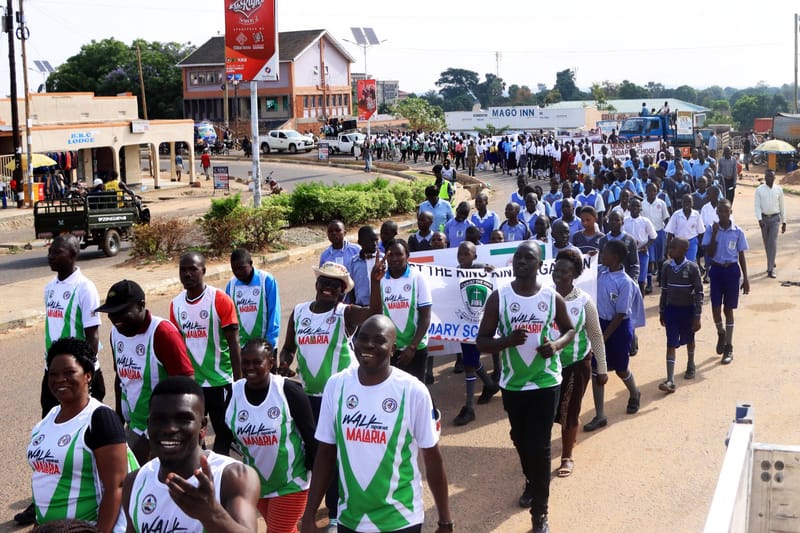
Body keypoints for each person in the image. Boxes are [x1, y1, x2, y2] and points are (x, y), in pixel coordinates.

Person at [300, 315, 452, 533]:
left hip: (400, 519)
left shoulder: (413, 391)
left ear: (393, 348)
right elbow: (325, 452)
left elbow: (432, 458)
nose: (368, 345)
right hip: (350, 519)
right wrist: (310, 513)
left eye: (379, 340)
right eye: (362, 338)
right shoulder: (337, 385)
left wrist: (445, 520)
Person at [476, 241, 575, 533]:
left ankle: (539, 515)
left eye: (527, 258)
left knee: (541, 445)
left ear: (539, 263)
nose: (520, 262)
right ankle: (531, 480)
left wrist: (555, 345)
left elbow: (570, 329)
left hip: (546, 381)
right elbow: (482, 340)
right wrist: (506, 341)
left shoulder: (550, 296)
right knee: (520, 438)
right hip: (513, 384)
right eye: (517, 257)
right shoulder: (500, 298)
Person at [280, 261, 381, 532]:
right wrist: (284, 361)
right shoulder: (299, 312)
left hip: (339, 398)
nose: (328, 287)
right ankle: (308, 505)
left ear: (342, 292)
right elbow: (288, 348)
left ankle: (336, 516)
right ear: (316, 285)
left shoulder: (344, 313)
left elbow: (374, 314)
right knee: (313, 454)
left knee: (335, 455)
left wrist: (376, 282)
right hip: (308, 397)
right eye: (324, 282)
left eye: (335, 285)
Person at [121, 377, 260, 532]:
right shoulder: (135, 483)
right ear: (149, 424)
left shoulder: (233, 477)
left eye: (183, 419)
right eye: (159, 419)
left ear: (202, 426)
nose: (170, 429)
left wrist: (212, 514)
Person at [28, 337, 134, 532]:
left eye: (69, 372)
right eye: (53, 374)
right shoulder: (47, 420)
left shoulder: (100, 419)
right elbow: (43, 480)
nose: (59, 379)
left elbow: (117, 487)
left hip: (88, 527)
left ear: (88, 375)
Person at [94, 280, 194, 464]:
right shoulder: (116, 333)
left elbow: (187, 386)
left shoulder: (163, 333)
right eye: (111, 314)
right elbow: (121, 379)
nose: (116, 319)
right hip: (134, 426)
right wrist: (118, 419)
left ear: (141, 305)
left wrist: (159, 435)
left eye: (122, 312)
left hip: (163, 428)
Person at [226, 339, 316, 532]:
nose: (250, 367)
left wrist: (311, 479)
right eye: (245, 362)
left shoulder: (288, 391)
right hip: (255, 485)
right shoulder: (233, 394)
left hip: (292, 483)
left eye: (257, 362)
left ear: (271, 362)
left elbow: (311, 437)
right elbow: (224, 439)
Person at [169, 252, 241, 455]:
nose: (187, 274)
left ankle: (219, 473)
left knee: (224, 433)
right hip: (193, 383)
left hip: (220, 381)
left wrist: (239, 383)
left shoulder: (219, 299)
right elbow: (177, 348)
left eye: (193, 269)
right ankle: (200, 469)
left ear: (204, 271)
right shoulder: (176, 304)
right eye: (183, 269)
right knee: (192, 432)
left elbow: (234, 344)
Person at [551, 250, 607, 478]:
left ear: (574, 274)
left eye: (564, 271)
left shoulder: (584, 301)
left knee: (570, 411)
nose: (558, 274)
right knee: (547, 413)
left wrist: (601, 368)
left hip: (576, 365)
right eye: (556, 269)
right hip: (547, 368)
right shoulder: (543, 297)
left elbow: (595, 335)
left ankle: (567, 456)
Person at [584, 239, 646, 432]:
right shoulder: (601, 271)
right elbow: (586, 268)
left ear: (616, 258)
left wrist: (603, 337)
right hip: (600, 323)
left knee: (620, 369)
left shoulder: (625, 282)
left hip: (618, 328)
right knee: (597, 371)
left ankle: (635, 393)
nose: (603, 255)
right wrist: (590, 257)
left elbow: (620, 313)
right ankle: (600, 415)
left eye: (606, 253)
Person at [452, 242, 500, 426]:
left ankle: (469, 406)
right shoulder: (455, 272)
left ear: (474, 256)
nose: (462, 256)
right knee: (469, 362)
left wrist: (492, 270)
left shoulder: (481, 269)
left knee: (470, 365)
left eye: (466, 253)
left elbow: (496, 277)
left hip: (480, 325)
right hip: (464, 325)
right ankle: (490, 385)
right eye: (460, 253)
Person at [372, 239, 432, 383]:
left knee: (417, 391)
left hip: (415, 348)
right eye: (390, 255)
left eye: (399, 254)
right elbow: (376, 315)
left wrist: (412, 347)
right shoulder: (380, 279)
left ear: (407, 256)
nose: (394, 259)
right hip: (390, 348)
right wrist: (374, 281)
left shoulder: (417, 278)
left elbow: (425, 317)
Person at [702, 199, 749, 365]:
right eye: (720, 211)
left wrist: (746, 278)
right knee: (715, 309)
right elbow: (709, 252)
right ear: (717, 213)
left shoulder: (738, 232)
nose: (723, 214)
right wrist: (715, 234)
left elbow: (741, 255)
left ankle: (729, 346)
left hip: (731, 271)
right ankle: (720, 332)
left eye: (726, 211)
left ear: (731, 212)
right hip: (716, 270)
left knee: (728, 309)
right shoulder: (710, 229)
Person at [658, 238, 703, 392]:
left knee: (690, 338)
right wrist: (662, 311)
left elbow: (699, 293)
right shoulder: (666, 267)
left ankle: (691, 363)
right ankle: (670, 379)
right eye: (669, 247)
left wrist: (697, 316)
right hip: (671, 310)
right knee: (670, 343)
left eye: (673, 248)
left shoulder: (692, 268)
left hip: (687, 310)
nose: (669, 250)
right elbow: (664, 291)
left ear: (683, 250)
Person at [226, 248, 281, 348]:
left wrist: (271, 344)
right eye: (234, 269)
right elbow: (229, 317)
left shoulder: (266, 280)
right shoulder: (231, 285)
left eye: (241, 268)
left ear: (250, 263)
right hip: (242, 347)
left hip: (264, 346)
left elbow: (274, 313)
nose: (238, 272)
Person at [754, 169, 786, 278]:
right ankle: (771, 259)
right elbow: (757, 206)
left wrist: (784, 221)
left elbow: (782, 206)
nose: (769, 179)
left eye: (771, 177)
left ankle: (770, 269)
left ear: (774, 178)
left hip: (775, 219)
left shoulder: (779, 190)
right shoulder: (759, 190)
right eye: (767, 176)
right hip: (764, 219)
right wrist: (759, 219)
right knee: (767, 243)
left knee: (772, 242)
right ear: (765, 177)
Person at [623, 198, 657, 295]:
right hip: (627, 254)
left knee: (641, 279)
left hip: (641, 253)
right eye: (633, 205)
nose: (635, 208)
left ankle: (641, 302)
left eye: (637, 206)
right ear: (629, 207)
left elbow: (653, 237)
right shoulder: (624, 221)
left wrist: (646, 246)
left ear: (640, 209)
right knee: (628, 278)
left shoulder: (645, 221)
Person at [665, 194, 704, 263]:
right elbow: (670, 231)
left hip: (692, 242)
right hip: (678, 243)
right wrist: (668, 246)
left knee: (690, 262)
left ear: (692, 203)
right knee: (678, 262)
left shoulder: (696, 214)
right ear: (682, 203)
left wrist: (700, 244)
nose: (687, 204)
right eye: (685, 202)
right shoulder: (676, 214)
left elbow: (700, 231)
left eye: (689, 202)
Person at [349, 225, 380, 306]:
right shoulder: (354, 262)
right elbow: (351, 286)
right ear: (360, 242)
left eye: (376, 240)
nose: (374, 244)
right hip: (361, 307)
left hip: (380, 306)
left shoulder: (383, 260)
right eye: (370, 241)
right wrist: (353, 305)